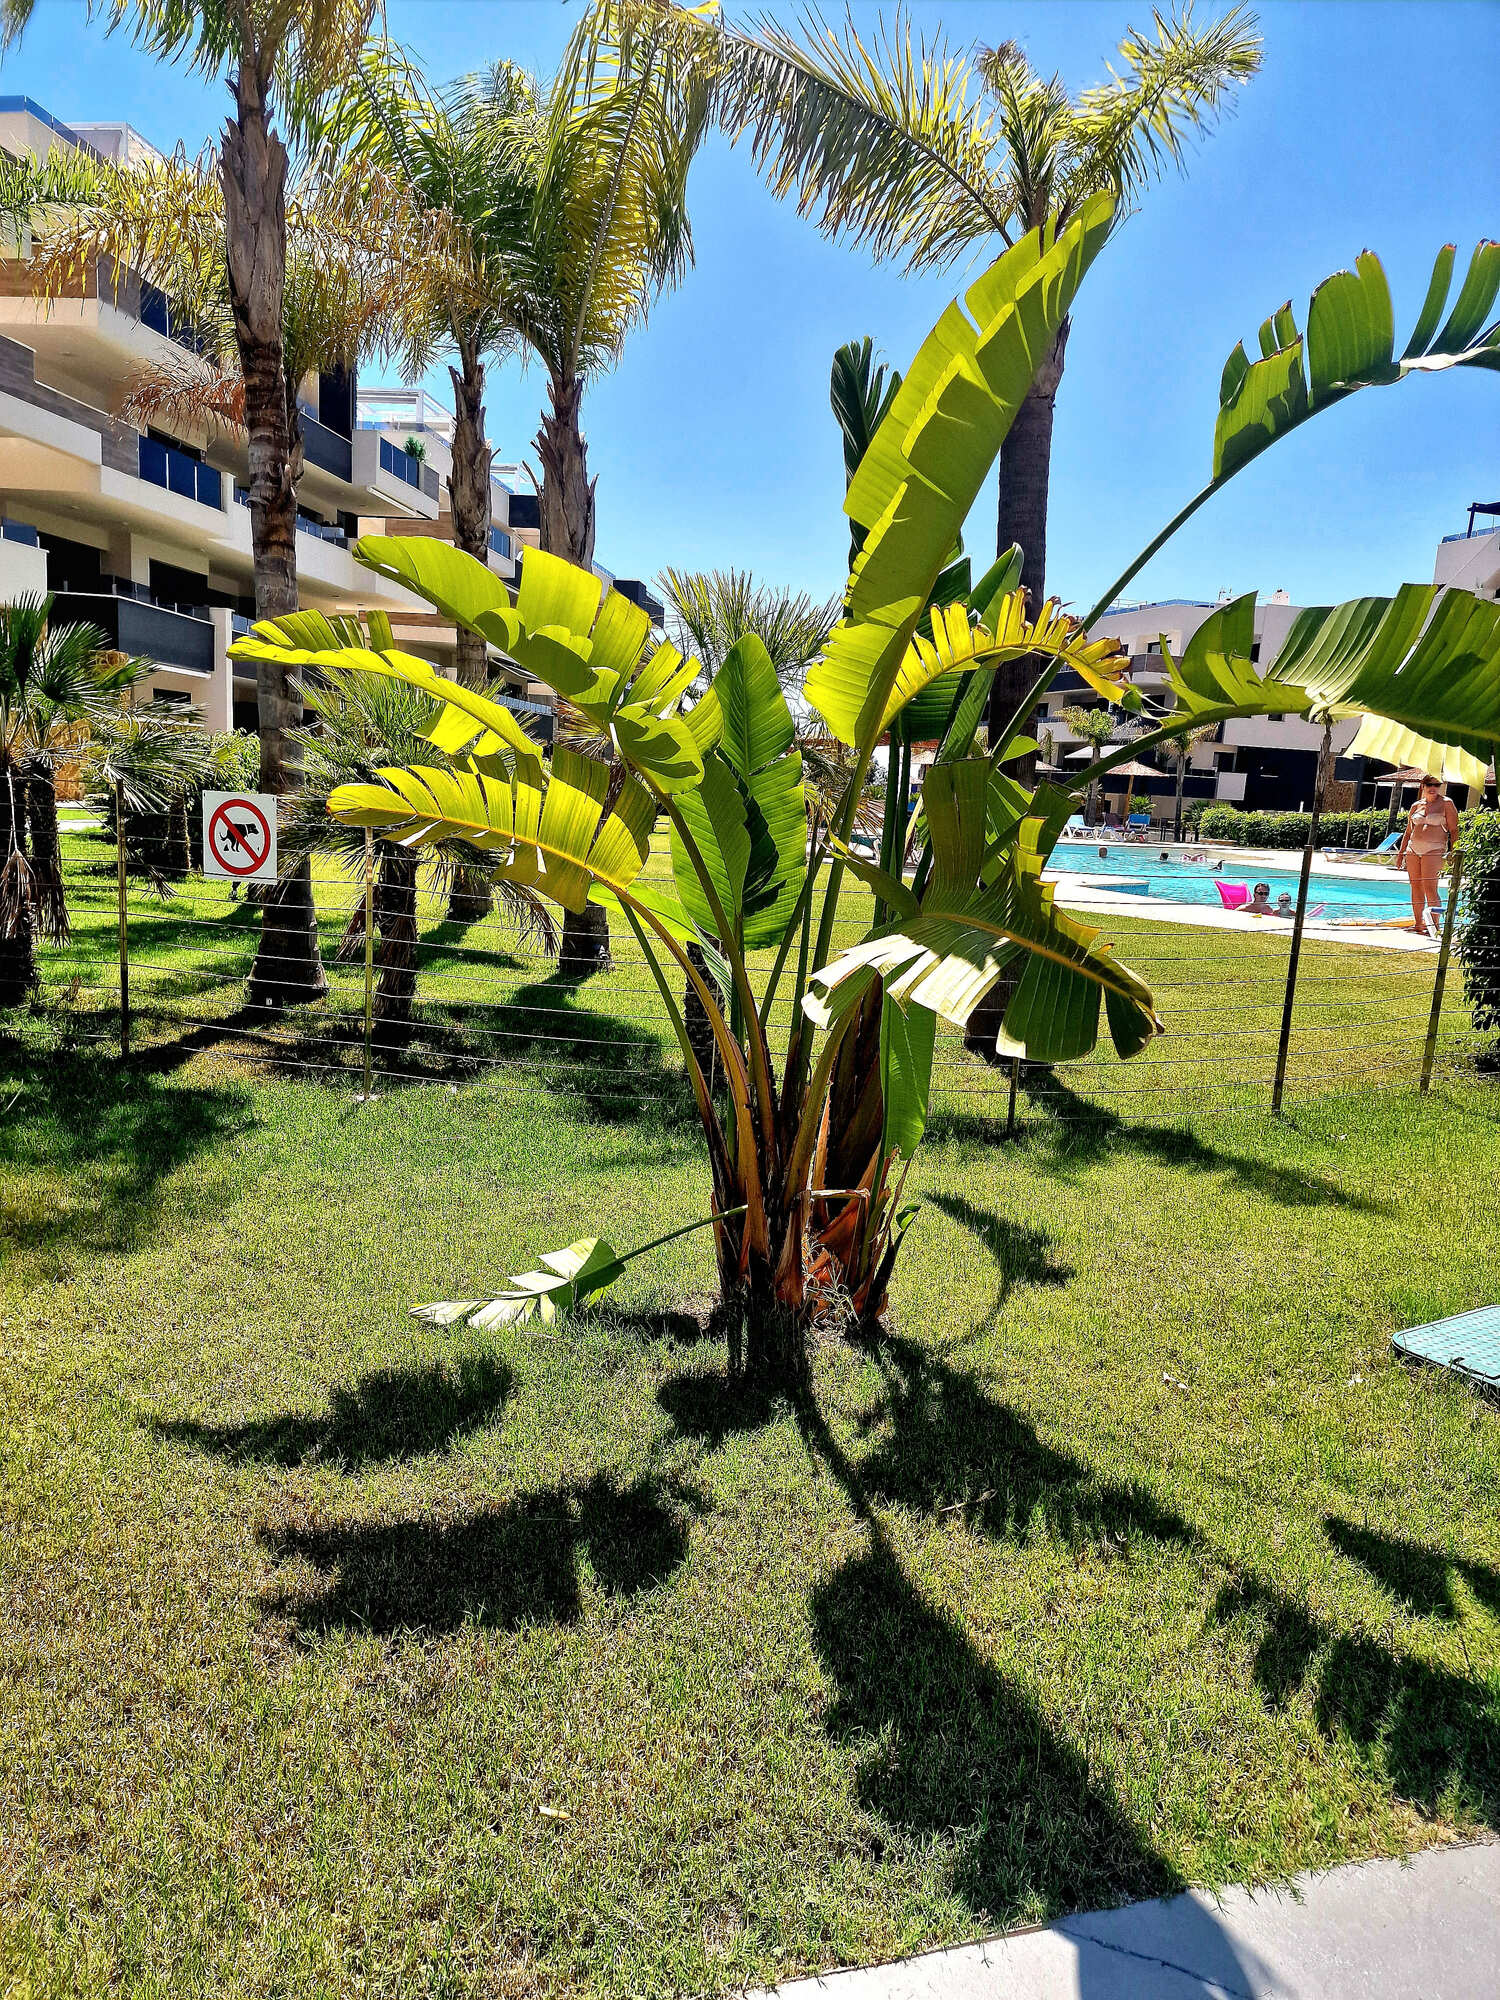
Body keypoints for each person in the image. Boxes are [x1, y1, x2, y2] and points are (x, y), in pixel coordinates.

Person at [1396, 774, 1459, 936]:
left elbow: (1454, 830)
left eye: (1437, 785)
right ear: (1422, 786)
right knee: (1415, 886)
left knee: (1430, 888)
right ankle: (1418, 924)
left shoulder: (1447, 803)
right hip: (1413, 849)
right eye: (1429, 784)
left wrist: (1454, 851)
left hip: (1434, 849)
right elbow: (1408, 831)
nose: (1433, 788)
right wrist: (1400, 852)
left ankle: (1435, 927)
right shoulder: (1416, 805)